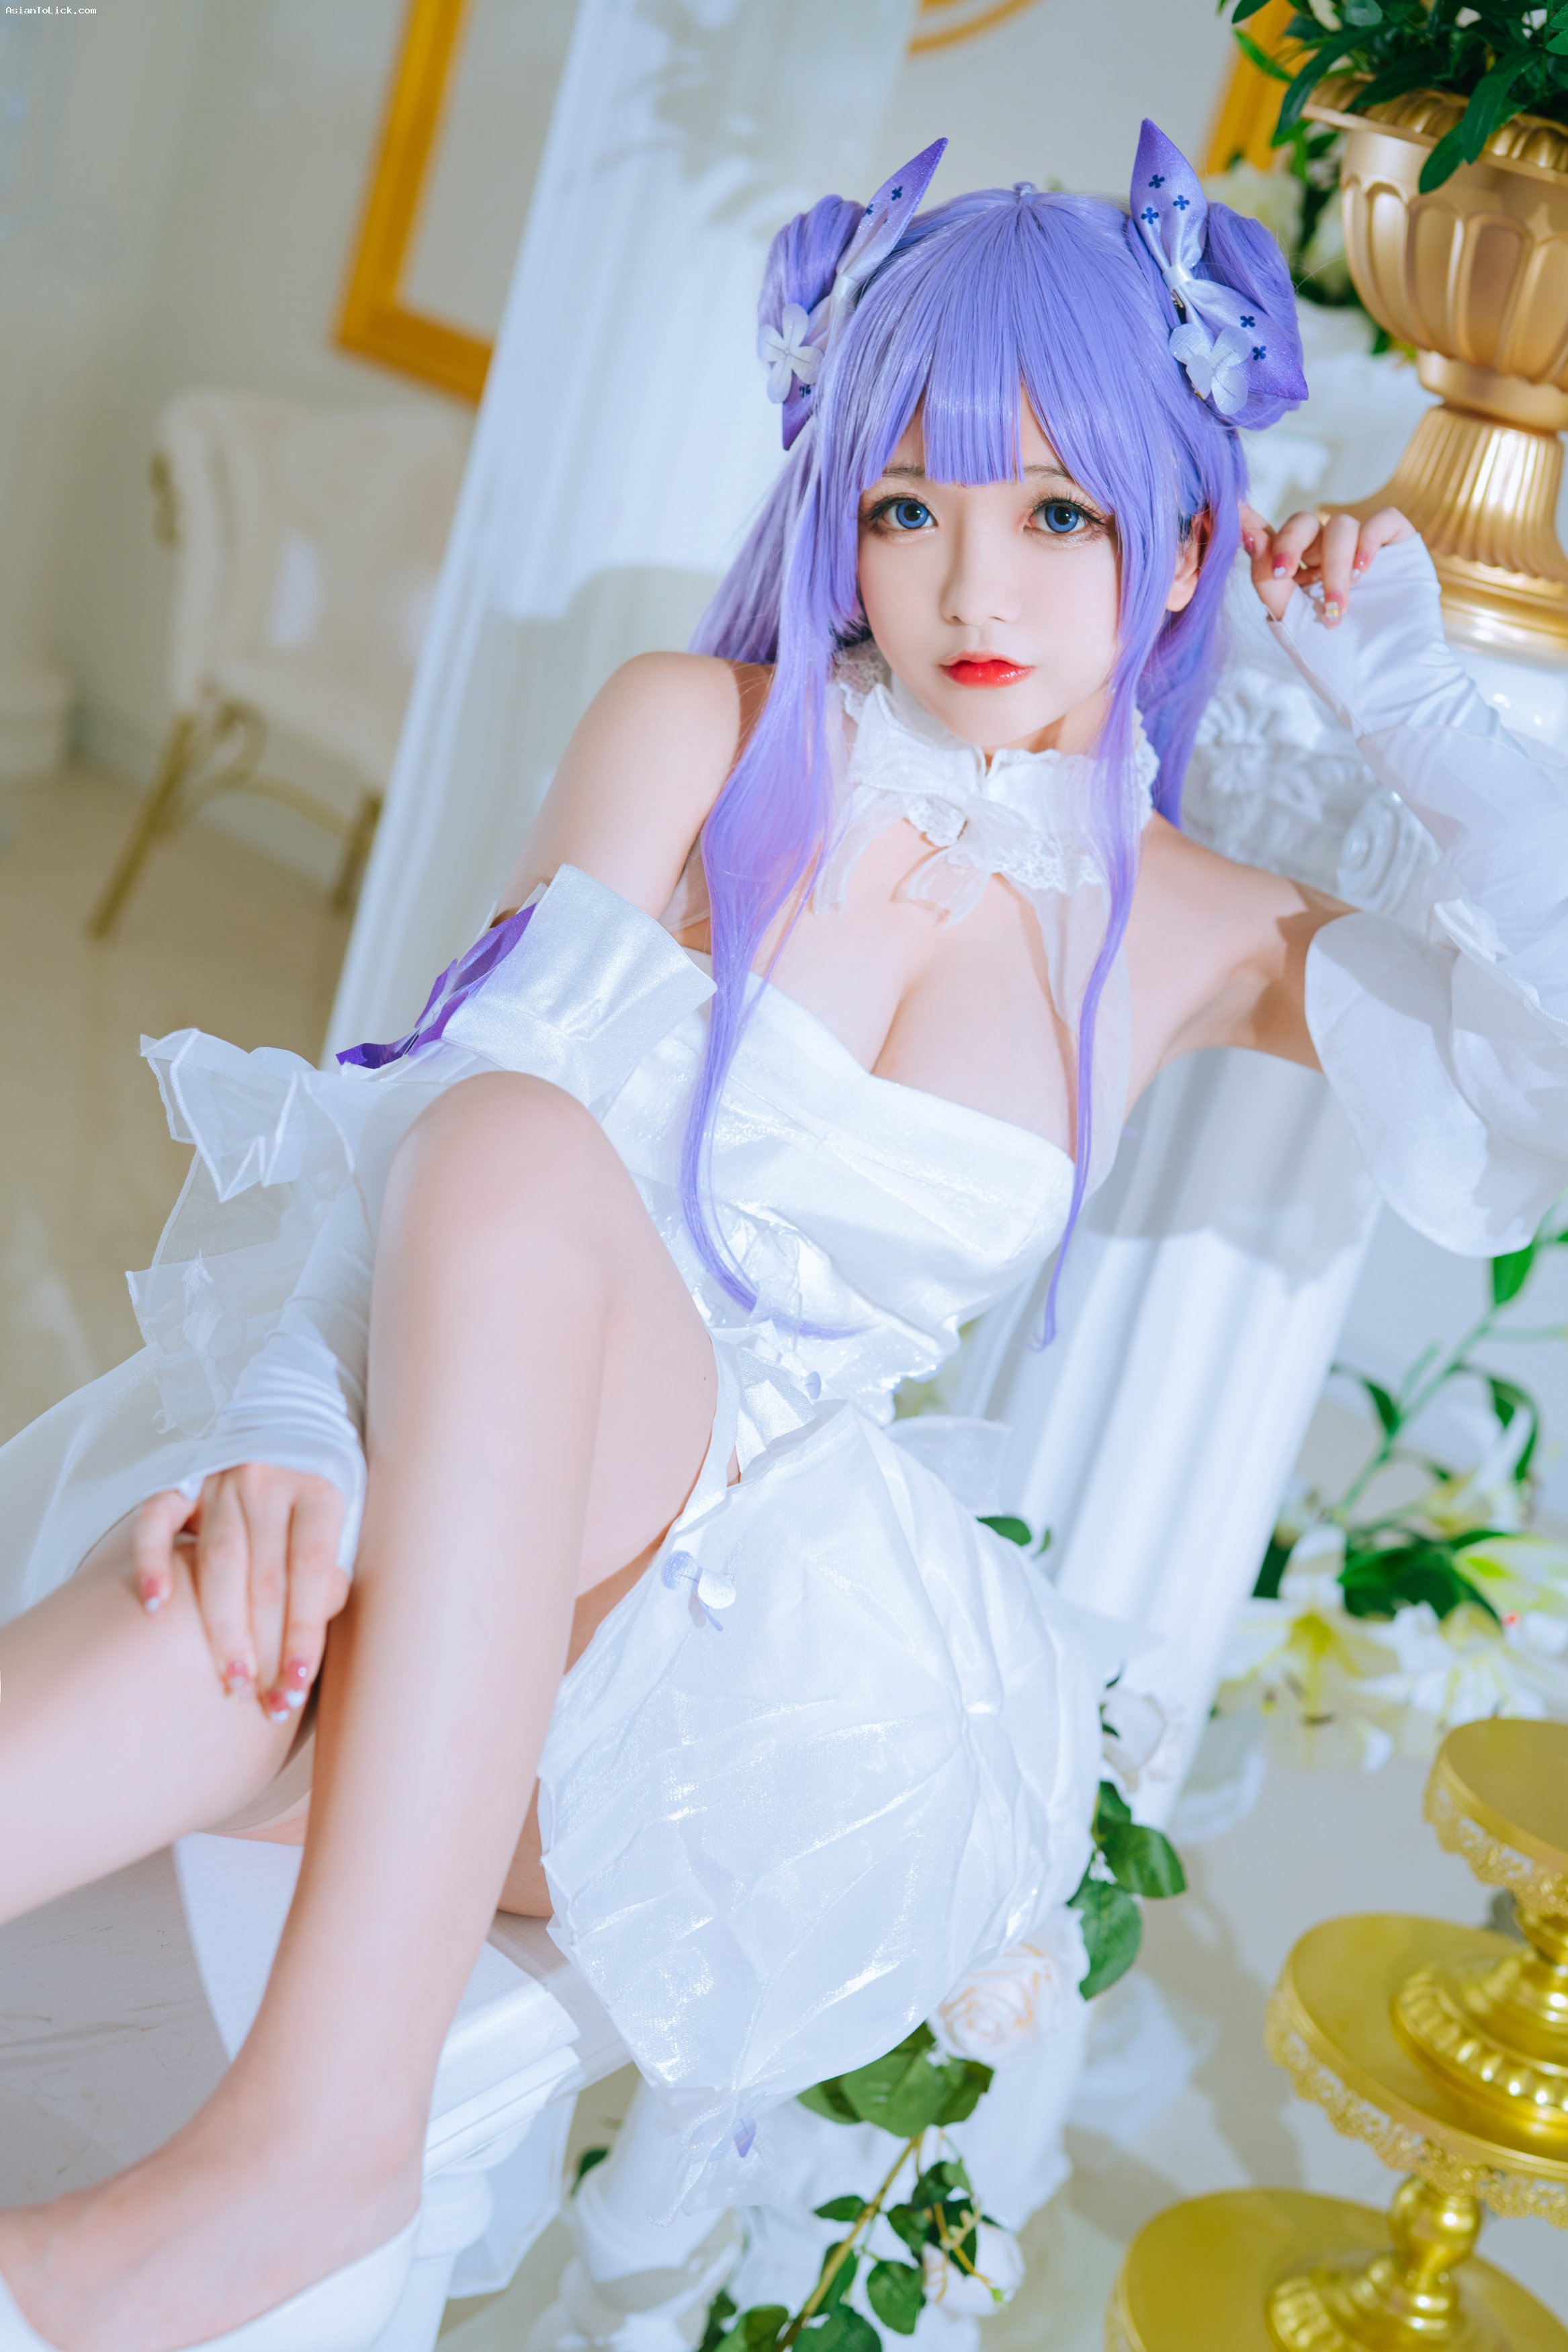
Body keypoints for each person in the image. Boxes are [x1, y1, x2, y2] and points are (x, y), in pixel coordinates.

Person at [2, 120, 1565, 2352]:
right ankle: (283, 2160)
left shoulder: (1197, 935)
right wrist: (290, 1428)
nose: (975, 589)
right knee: (225, 1608)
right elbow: (412, 1127)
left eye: (1060, 513)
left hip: (717, 1673)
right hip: (446, 1514)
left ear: (1185, 542)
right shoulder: (698, 732)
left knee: (521, 1155)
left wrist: (1420, 715)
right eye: (909, 506)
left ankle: (311, 2140)